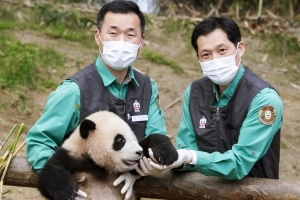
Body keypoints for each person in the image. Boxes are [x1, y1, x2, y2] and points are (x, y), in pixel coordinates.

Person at [25, 1, 166, 199]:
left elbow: (154, 142)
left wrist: (140, 172)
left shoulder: (147, 88)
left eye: (130, 34)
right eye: (113, 33)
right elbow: (40, 140)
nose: (121, 41)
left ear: (141, 41)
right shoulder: (74, 90)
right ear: (98, 37)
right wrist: (60, 178)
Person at [149, 16, 283, 180]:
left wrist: (192, 157)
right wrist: (176, 160)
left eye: (222, 51)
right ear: (198, 58)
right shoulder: (194, 93)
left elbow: (239, 163)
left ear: (239, 48)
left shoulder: (264, 100)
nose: (215, 60)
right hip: (202, 192)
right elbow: (185, 151)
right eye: (206, 54)